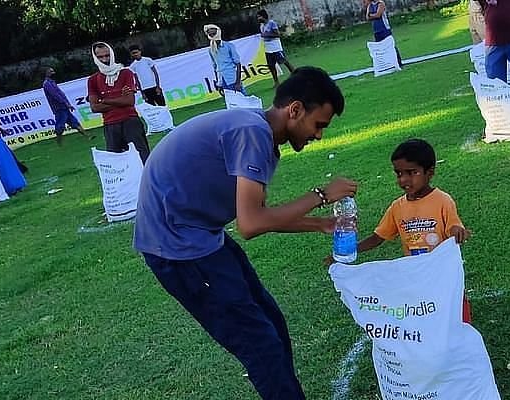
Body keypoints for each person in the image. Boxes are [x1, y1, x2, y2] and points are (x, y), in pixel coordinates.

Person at [133, 67, 355, 400]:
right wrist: (321, 195)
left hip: (202, 236)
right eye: (318, 125)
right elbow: (250, 225)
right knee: (260, 343)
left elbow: (256, 215)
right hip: (178, 249)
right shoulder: (253, 134)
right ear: (294, 110)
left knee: (271, 323)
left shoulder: (257, 130)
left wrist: (321, 223)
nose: (319, 135)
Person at [334, 139, 473, 322]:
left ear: (429, 172)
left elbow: (454, 226)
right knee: (425, 313)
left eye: (412, 172)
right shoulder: (397, 207)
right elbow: (378, 237)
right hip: (415, 273)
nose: (404, 179)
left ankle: (462, 331)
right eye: (399, 173)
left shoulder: (442, 201)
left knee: (455, 310)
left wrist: (458, 231)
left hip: (443, 273)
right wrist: (346, 253)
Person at [87, 42, 150, 163]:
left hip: (130, 121)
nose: (105, 59)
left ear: (112, 54)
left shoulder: (126, 73)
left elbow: (129, 101)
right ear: (95, 58)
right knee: (118, 163)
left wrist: (104, 100)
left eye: (107, 55)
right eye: (100, 57)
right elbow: (94, 107)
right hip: (111, 125)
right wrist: (120, 99)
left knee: (143, 158)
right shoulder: (93, 80)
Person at [41, 67, 93, 145]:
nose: (53, 72)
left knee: (74, 122)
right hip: (59, 108)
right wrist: (66, 104)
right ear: (46, 73)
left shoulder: (52, 82)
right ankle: (59, 143)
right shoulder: (47, 84)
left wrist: (67, 104)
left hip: (64, 107)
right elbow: (56, 95)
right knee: (60, 126)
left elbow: (60, 95)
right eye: (51, 71)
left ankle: (87, 136)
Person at [257, 10, 296, 88]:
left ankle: (296, 75)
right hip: (268, 49)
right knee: (271, 66)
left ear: (263, 16)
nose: (258, 18)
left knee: (285, 62)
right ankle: (276, 82)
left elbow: (277, 34)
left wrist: (266, 35)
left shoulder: (271, 23)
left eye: (259, 16)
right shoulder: (261, 26)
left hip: (276, 47)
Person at [204, 24, 246, 95]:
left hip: (232, 78)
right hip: (222, 80)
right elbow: (215, 66)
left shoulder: (229, 46)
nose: (212, 36)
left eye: (214, 33)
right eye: (210, 34)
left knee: (242, 99)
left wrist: (238, 82)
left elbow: (238, 63)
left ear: (218, 32)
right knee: (231, 103)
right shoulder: (211, 50)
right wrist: (219, 83)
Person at [366, 0, 403, 67]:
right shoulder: (370, 5)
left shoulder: (381, 3)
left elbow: (378, 15)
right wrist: (372, 15)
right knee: (381, 48)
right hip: (376, 30)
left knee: (390, 46)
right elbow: (367, 17)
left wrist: (371, 15)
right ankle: (387, 64)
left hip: (384, 28)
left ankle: (399, 62)